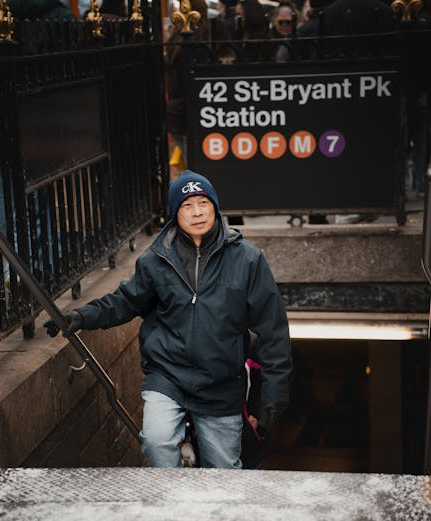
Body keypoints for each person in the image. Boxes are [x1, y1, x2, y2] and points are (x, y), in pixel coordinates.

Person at [44, 169, 293, 469]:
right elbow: (125, 302)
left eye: (203, 203)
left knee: (224, 471)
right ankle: (173, 497)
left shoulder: (247, 259)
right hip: (168, 375)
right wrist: (80, 317)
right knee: (157, 441)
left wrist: (274, 395)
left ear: (215, 207)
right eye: (187, 205)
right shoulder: (156, 260)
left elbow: (272, 330)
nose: (197, 212)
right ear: (176, 213)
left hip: (221, 385)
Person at [165, 0, 211, 166]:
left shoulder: (176, 38)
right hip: (196, 113)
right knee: (200, 165)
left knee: (193, 164)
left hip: (178, 112)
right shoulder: (204, 39)